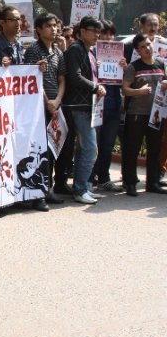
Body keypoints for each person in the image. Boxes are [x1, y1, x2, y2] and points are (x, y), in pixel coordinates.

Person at [23, 12, 67, 210]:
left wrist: (57, 101)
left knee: (52, 149)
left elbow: (62, 79)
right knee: (39, 152)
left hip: (55, 107)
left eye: (55, 25)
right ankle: (37, 193)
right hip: (38, 107)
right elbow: (32, 79)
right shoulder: (33, 51)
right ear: (39, 30)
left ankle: (48, 189)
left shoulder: (57, 52)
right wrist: (48, 102)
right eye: (49, 26)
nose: (53, 29)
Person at [61, 16, 106, 205]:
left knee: (83, 149)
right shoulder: (76, 49)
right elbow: (74, 76)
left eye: (98, 31)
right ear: (83, 31)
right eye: (93, 31)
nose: (97, 35)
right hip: (78, 106)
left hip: (89, 105)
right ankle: (80, 189)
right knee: (90, 148)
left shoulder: (90, 51)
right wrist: (95, 87)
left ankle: (82, 187)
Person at [121, 32, 167, 196]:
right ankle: (130, 183)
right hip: (137, 114)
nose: (147, 48)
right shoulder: (134, 67)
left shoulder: (161, 64)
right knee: (132, 149)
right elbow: (125, 89)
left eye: (148, 44)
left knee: (154, 149)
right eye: (142, 47)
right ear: (137, 50)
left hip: (156, 114)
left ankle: (152, 183)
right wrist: (138, 91)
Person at [91, 20, 126, 192]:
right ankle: (88, 179)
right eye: (104, 33)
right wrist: (93, 67)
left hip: (113, 105)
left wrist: (125, 68)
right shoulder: (90, 53)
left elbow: (126, 82)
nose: (108, 37)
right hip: (95, 106)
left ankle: (104, 178)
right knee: (92, 145)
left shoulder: (120, 55)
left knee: (107, 145)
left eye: (111, 33)